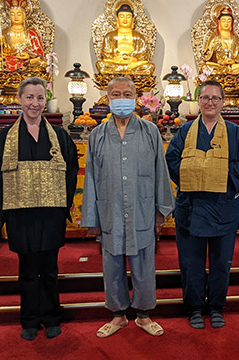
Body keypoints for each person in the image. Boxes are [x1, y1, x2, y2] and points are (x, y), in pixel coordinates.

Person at [81, 77, 174, 338]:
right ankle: (118, 315)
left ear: (136, 97)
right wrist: (92, 216)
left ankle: (143, 315)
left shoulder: (150, 131)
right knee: (111, 263)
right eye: (116, 94)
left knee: (144, 262)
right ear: (107, 98)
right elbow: (90, 178)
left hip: (142, 208)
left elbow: (160, 173)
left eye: (128, 93)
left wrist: (160, 210)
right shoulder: (97, 135)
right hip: (109, 209)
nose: (122, 98)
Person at [0, 77, 78, 340]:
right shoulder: (6, 137)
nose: (35, 103)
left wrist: (64, 202)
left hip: (51, 212)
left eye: (40, 98)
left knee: (50, 267)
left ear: (45, 101)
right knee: (27, 268)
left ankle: (52, 316)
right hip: (21, 213)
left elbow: (70, 171)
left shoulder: (60, 136)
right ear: (19, 99)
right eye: (29, 97)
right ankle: (29, 319)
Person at [166, 80, 239, 329]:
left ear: (223, 102)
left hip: (222, 207)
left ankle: (216, 306)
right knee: (191, 263)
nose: (210, 103)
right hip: (191, 208)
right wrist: (198, 173)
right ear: (198, 101)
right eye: (205, 98)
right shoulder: (185, 131)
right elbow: (171, 160)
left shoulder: (235, 132)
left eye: (216, 98)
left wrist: (219, 174)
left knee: (221, 263)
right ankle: (194, 307)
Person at [0, 0, 46, 71]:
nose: (16, 17)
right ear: (9, 16)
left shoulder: (31, 32)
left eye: (19, 14)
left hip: (26, 63)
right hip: (8, 62)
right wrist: (0, 45)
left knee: (42, 63)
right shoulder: (4, 32)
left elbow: (39, 53)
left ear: (24, 15)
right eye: (12, 14)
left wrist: (28, 55)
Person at [95, 3, 155, 75]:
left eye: (128, 16)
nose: (125, 19)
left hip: (133, 65)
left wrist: (133, 60)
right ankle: (126, 71)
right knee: (100, 65)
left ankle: (122, 70)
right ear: (117, 18)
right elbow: (105, 56)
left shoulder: (139, 37)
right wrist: (117, 59)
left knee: (150, 66)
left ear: (132, 19)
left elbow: (143, 57)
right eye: (122, 16)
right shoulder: (110, 36)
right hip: (116, 63)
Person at [203, 7, 239, 75]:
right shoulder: (215, 38)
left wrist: (233, 61)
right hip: (219, 67)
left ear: (232, 22)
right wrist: (223, 61)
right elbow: (208, 57)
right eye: (223, 21)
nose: (226, 23)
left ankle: (229, 71)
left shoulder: (235, 38)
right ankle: (227, 72)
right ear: (218, 22)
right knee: (205, 67)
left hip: (233, 67)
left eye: (229, 21)